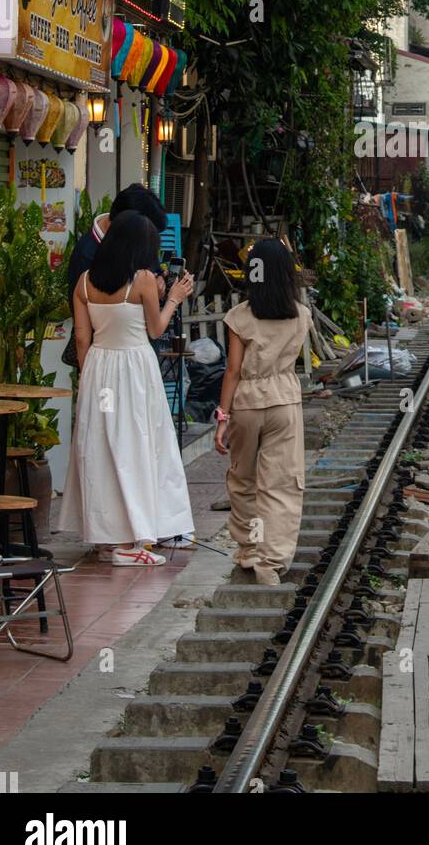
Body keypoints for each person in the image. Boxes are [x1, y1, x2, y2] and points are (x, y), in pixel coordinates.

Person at [59, 211, 196, 567]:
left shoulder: (85, 282)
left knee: (102, 448)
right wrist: (176, 297)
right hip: (135, 370)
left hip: (99, 369)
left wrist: (89, 381)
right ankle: (132, 539)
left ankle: (107, 536)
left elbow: (81, 338)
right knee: (139, 445)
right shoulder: (143, 281)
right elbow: (155, 328)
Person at [214, 239, 312, 586]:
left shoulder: (239, 316)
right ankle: (270, 564)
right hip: (284, 401)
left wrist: (222, 419)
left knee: (243, 480)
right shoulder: (302, 315)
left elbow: (233, 370)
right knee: (282, 484)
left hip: (246, 404)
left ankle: (249, 552)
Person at [67, 183, 168, 316]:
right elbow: (83, 315)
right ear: (127, 222)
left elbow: (156, 272)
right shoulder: (86, 254)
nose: (148, 241)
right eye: (147, 233)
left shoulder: (140, 239)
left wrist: (161, 281)